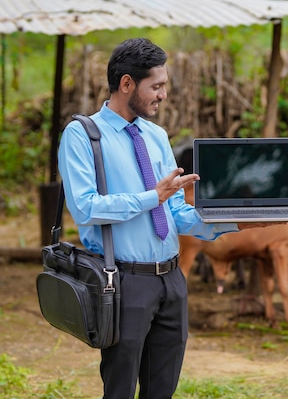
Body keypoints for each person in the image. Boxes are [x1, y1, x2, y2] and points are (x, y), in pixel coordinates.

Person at [58, 38, 273, 399]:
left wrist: (238, 222)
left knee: (162, 390)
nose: (163, 95)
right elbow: (84, 207)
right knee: (120, 389)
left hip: (171, 282)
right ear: (127, 84)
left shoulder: (156, 136)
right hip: (123, 281)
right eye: (156, 86)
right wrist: (150, 197)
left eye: (165, 86)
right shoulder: (82, 135)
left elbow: (175, 214)